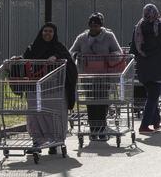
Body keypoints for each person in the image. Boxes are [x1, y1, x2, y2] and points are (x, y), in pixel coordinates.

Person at [16, 22, 77, 151]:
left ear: (54, 34)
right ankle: (37, 140)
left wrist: (56, 57)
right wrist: (19, 60)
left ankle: (55, 140)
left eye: (50, 31)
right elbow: (26, 58)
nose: (47, 34)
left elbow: (69, 63)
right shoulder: (33, 47)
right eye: (45, 31)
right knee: (35, 115)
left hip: (54, 89)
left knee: (53, 115)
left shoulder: (59, 48)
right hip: (35, 88)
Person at [69, 13, 122, 141]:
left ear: (101, 25)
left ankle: (102, 129)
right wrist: (77, 55)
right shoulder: (82, 38)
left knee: (102, 102)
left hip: (104, 76)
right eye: (91, 25)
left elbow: (118, 52)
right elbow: (71, 52)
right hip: (87, 76)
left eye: (96, 25)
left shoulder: (109, 36)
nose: (94, 28)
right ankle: (93, 129)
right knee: (91, 102)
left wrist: (108, 57)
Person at [130, 4, 161, 134]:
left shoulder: (138, 27)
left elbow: (134, 48)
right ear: (156, 13)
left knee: (152, 95)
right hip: (158, 66)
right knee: (153, 97)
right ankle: (144, 126)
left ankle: (156, 123)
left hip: (143, 66)